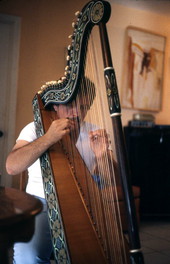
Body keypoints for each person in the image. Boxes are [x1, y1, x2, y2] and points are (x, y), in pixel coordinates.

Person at [6, 80, 114, 264]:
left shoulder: (94, 132)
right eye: (71, 105)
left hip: (84, 203)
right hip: (40, 203)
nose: (77, 113)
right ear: (56, 104)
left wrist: (103, 157)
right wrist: (48, 138)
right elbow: (12, 166)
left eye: (84, 106)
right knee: (29, 258)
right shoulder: (35, 128)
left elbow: (110, 181)